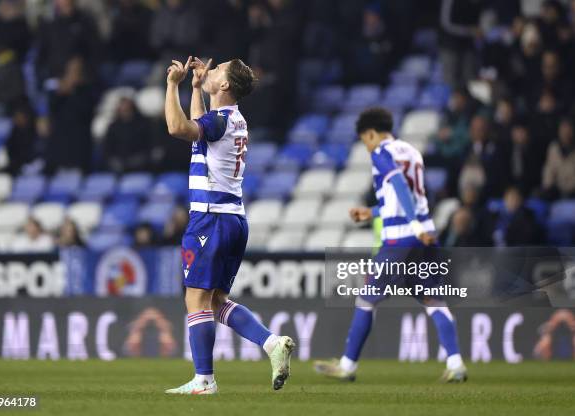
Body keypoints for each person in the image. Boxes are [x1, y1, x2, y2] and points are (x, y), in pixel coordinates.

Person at [163, 56, 294, 395]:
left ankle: (204, 380)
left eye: (217, 69)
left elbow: (178, 128)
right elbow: (199, 128)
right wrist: (195, 88)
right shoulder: (231, 119)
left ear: (224, 85)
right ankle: (271, 343)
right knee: (216, 300)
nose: (210, 70)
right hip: (233, 218)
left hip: (210, 218)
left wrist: (172, 85)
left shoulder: (221, 120)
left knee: (196, 299)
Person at [314, 107, 467, 383]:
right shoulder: (412, 152)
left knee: (366, 299)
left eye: (365, 141)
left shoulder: (381, 153)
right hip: (426, 236)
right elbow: (411, 197)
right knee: (433, 299)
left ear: (371, 134)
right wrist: (372, 213)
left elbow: (398, 184)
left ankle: (348, 366)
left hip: (401, 238)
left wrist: (413, 227)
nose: (367, 146)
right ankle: (456, 363)